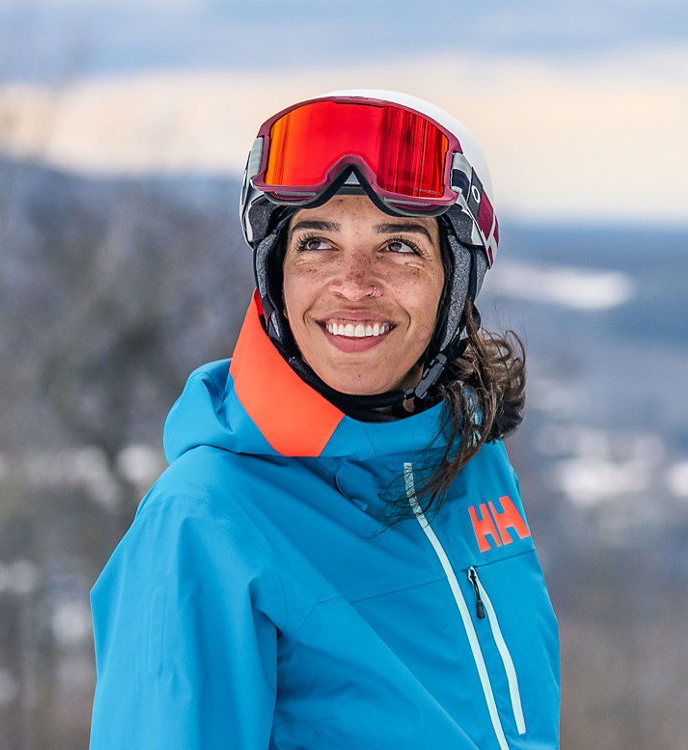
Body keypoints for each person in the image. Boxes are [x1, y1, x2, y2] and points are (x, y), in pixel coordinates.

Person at [88, 89, 560, 749]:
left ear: (456, 282)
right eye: (316, 243)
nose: (354, 283)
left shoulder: (471, 461)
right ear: (276, 275)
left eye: (398, 245)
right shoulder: (206, 521)